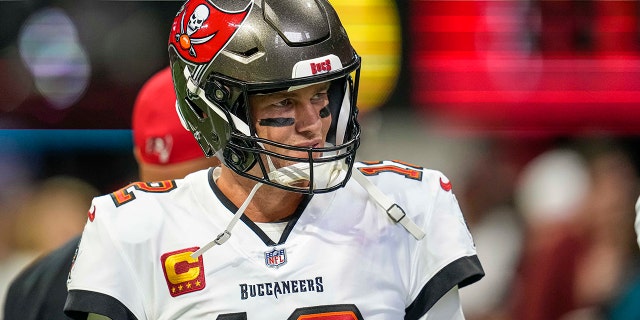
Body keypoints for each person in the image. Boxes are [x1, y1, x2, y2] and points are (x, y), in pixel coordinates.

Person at [64, 1, 484, 319]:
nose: (313, 125)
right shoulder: (134, 229)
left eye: (322, 95)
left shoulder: (407, 208)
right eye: (284, 101)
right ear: (209, 110)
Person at [3, 66, 220, 320]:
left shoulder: (34, 285)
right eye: (165, 188)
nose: (175, 202)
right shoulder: (256, 260)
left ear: (138, 155)